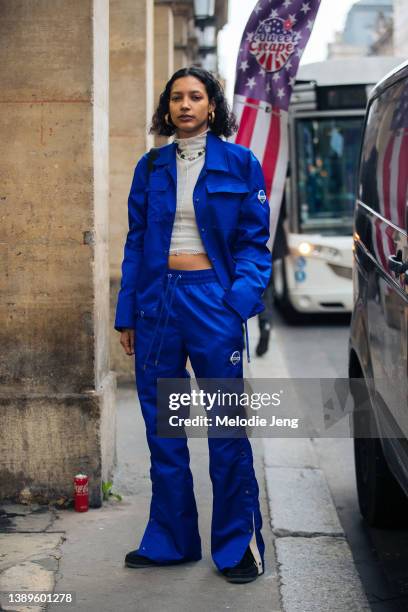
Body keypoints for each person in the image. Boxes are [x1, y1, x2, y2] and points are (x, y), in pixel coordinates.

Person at [114, 67, 271, 584]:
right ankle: (171, 540)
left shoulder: (241, 163)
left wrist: (236, 301)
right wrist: (127, 312)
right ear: (167, 107)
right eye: (177, 97)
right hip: (157, 304)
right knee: (165, 429)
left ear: (211, 106)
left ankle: (233, 548)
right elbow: (136, 241)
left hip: (213, 302)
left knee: (226, 428)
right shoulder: (152, 166)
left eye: (196, 97)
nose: (185, 105)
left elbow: (254, 242)